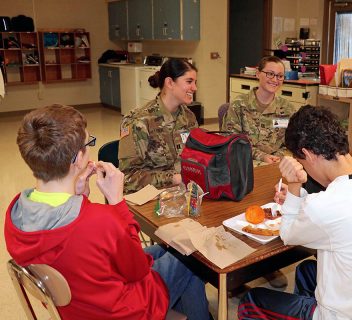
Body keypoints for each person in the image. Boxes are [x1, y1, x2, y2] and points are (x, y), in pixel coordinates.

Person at [4, 105, 210, 319]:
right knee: (191, 253)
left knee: (166, 249)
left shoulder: (15, 213)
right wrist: (117, 201)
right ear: (77, 159)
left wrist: (79, 197)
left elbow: (73, 248)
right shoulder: (99, 221)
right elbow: (138, 270)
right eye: (88, 143)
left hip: (79, 303)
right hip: (125, 311)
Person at [238, 105, 352, 320]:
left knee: (250, 302)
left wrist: (293, 185)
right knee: (306, 271)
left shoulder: (327, 206)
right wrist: (299, 196)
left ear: (308, 155)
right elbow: (338, 213)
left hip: (347, 316)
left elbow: (289, 233)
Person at [119, 58, 198, 194]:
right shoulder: (139, 121)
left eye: (195, 82)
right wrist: (174, 179)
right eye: (189, 81)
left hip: (182, 193)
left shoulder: (189, 117)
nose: (195, 88)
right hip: (150, 198)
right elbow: (127, 178)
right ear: (169, 83)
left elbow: (195, 157)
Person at [222, 56, 296, 163]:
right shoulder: (239, 105)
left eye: (280, 76)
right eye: (270, 74)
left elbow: (292, 143)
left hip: (276, 164)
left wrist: (278, 157)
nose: (275, 80)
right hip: (246, 163)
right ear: (257, 74)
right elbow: (231, 142)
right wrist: (261, 156)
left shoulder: (287, 109)